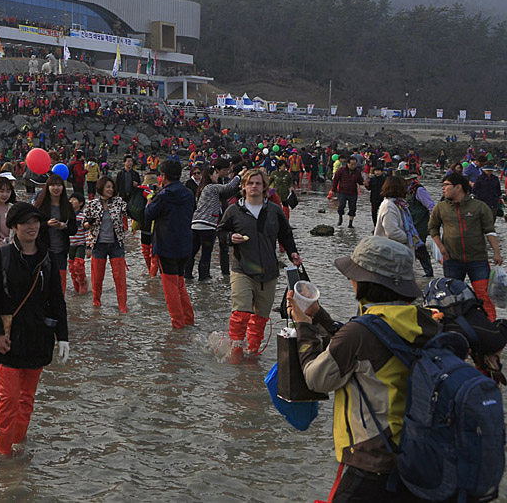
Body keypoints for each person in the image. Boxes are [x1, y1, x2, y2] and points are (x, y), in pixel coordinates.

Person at [291, 237, 442, 503]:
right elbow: (368, 344)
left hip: (372, 460)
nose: (351, 281)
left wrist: (303, 326)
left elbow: (316, 378)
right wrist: (320, 316)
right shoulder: (423, 320)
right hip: (416, 457)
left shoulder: (360, 332)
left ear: (368, 282)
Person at [0, 202, 69, 457]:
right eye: (26, 223)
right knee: (8, 399)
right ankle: (4, 454)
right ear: (14, 227)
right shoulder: (3, 255)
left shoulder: (48, 256)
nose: (32, 227)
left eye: (35, 222)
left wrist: (62, 337)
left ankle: (19, 445)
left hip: (38, 337)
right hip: (8, 339)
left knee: (27, 399)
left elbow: (57, 300)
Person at [217, 167, 302, 361]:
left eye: (258, 183)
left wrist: (292, 253)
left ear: (264, 187)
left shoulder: (274, 210)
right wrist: (231, 237)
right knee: (240, 313)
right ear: (244, 187)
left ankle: (252, 352)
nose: (254, 186)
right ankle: (235, 355)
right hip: (242, 269)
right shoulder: (233, 211)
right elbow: (221, 233)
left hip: (269, 272)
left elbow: (285, 235)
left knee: (261, 317)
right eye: (250, 183)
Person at [429, 172, 501, 320]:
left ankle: (491, 326)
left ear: (458, 187)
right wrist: (441, 247)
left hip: (478, 260)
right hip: (452, 260)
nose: (443, 188)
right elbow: (433, 228)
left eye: (446, 185)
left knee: (484, 296)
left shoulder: (479, 207)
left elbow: (489, 231)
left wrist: (497, 253)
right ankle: (457, 326)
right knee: (452, 297)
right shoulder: (441, 208)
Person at [423, 276, 507, 385]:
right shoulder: (492, 339)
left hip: (448, 344)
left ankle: (482, 360)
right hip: (480, 337)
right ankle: (485, 360)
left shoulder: (434, 334)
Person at [144, 160, 196, 329]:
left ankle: (177, 324)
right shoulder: (188, 194)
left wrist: (150, 198)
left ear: (163, 176)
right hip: (185, 244)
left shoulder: (163, 196)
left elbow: (149, 214)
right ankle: (188, 319)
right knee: (180, 283)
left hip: (166, 245)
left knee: (170, 286)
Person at [190, 160, 241, 282]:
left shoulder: (202, 188)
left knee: (192, 252)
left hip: (195, 224)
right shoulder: (211, 187)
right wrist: (239, 176)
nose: (217, 176)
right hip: (207, 225)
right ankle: (204, 277)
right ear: (210, 175)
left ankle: (188, 276)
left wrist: (239, 188)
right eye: (215, 174)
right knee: (206, 253)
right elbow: (228, 188)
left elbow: (227, 193)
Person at [82, 178, 129, 310]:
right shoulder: (92, 204)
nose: (110, 190)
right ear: (101, 188)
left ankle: (123, 307)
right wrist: (90, 222)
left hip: (116, 245)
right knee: (97, 279)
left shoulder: (119, 202)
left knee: (120, 278)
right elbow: (84, 225)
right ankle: (96, 305)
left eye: (112, 187)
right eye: (108, 187)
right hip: (98, 245)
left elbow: (130, 212)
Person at [34, 173, 77, 294]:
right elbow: (33, 227)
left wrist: (64, 226)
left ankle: (59, 309)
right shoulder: (40, 205)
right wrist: (47, 224)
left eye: (59, 185)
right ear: (47, 187)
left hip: (61, 251)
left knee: (60, 284)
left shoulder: (67, 207)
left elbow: (74, 229)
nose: (56, 188)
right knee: (44, 283)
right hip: (43, 250)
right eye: (52, 185)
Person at [373, 176, 423, 254]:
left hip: (399, 251)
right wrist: (410, 238)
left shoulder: (400, 205)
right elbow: (392, 232)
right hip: (391, 253)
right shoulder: (389, 206)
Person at [403, 169, 436, 276]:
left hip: (420, 225)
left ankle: (428, 273)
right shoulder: (403, 191)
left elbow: (431, 206)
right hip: (409, 225)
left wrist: (433, 223)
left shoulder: (418, 190)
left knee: (419, 249)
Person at [332, 156, 364, 228]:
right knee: (341, 206)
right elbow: (335, 180)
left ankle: (350, 223)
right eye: (352, 164)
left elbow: (360, 181)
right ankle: (340, 217)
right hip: (342, 191)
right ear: (348, 164)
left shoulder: (357, 172)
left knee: (352, 208)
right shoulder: (341, 170)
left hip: (353, 192)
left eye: (355, 164)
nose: (353, 166)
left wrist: (364, 183)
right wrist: (333, 190)